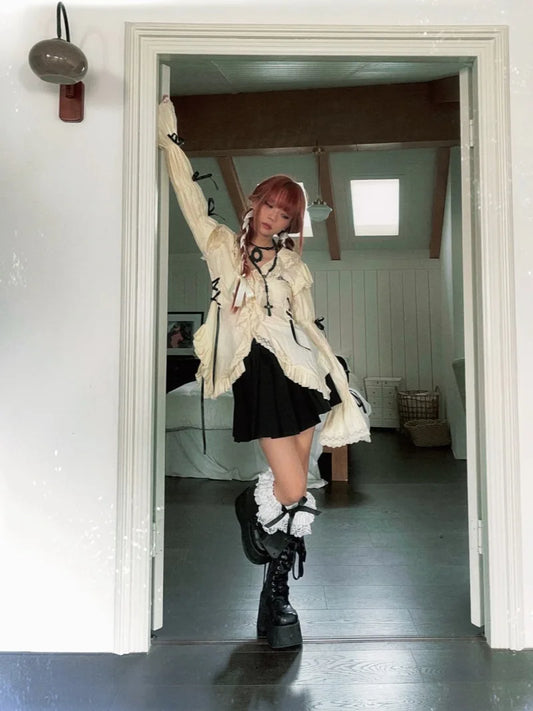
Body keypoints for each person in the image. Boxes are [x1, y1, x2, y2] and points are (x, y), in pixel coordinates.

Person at [158, 96, 370, 649]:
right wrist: (168, 140)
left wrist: (334, 375)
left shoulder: (293, 264)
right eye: (270, 206)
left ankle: (277, 596)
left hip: (301, 374)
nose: (274, 217)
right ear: (254, 201)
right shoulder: (219, 245)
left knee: (298, 490)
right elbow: (188, 195)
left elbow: (307, 327)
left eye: (285, 214)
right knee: (292, 485)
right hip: (258, 371)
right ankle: (251, 509)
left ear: (292, 223)